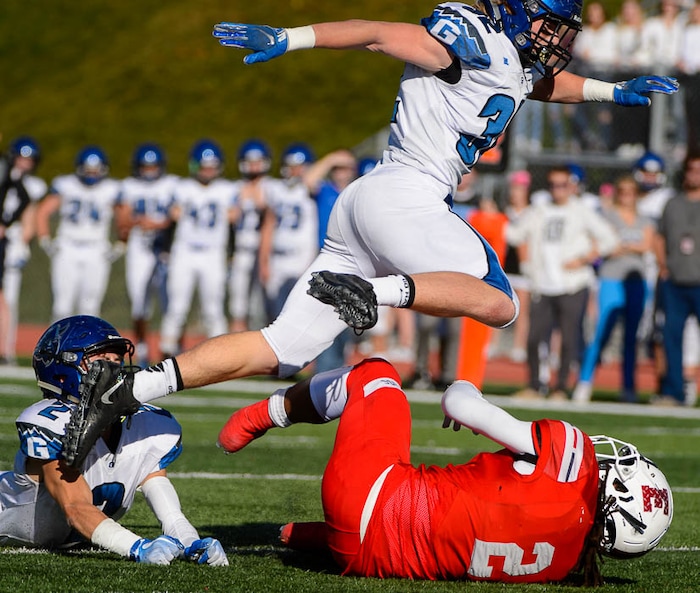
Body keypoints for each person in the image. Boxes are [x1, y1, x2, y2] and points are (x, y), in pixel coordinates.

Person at [71, 1, 679, 453]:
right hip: (407, 197)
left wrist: (615, 91)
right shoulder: (470, 36)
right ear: (517, 13)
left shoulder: (515, 63)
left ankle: (133, 388)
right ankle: (379, 294)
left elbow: (545, 85)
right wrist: (291, 38)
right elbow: (380, 34)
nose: (559, 40)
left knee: (283, 347)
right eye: (552, 25)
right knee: (499, 302)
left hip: (365, 202)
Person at [217, 357, 673, 585]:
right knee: (421, 530)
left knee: (377, 374)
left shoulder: (574, 459)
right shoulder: (566, 566)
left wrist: (466, 388)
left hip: (369, 493)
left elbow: (458, 402)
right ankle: (299, 535)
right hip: (362, 558)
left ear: (621, 491)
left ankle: (266, 413)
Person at [0, 315, 227, 566]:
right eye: (101, 360)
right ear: (63, 372)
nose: (115, 369)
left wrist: (190, 541)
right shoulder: (55, 423)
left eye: (117, 359)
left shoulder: (142, 421)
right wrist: (137, 547)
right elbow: (75, 507)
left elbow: (156, 486)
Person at [506, 165, 619, 400]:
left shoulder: (581, 211)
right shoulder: (539, 210)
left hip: (572, 284)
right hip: (542, 284)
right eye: (552, 185)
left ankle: (561, 387)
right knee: (534, 337)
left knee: (569, 338)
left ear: (571, 186)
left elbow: (609, 239)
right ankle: (535, 385)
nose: (557, 190)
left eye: (562, 185)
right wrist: (497, 216)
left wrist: (586, 258)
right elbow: (514, 234)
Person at [573, 175, 654, 403]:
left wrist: (622, 246)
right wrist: (627, 247)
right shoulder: (606, 215)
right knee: (601, 333)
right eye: (623, 191)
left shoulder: (644, 219)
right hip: (611, 279)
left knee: (631, 337)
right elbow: (603, 247)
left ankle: (628, 387)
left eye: (631, 191)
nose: (627, 196)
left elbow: (647, 246)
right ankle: (585, 382)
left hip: (636, 283)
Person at [159, 139, 236, 358]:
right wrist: (166, 249)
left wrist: (232, 254)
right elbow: (171, 222)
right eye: (204, 166)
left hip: (213, 253)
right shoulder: (183, 188)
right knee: (177, 306)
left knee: (213, 307)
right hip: (185, 251)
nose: (208, 170)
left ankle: (220, 355)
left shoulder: (227, 190)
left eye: (212, 166)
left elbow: (233, 225)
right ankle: (167, 351)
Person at [36, 146, 123, 321]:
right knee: (62, 306)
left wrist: (122, 241)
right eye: (88, 170)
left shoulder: (112, 188)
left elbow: (124, 215)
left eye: (95, 170)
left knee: (91, 306)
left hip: (96, 249)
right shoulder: (66, 184)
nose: (91, 174)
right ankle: (57, 348)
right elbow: (43, 211)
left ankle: (88, 348)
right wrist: (44, 238)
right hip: (68, 246)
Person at [116, 143, 178, 367]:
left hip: (164, 250)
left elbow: (178, 214)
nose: (149, 171)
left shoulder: (172, 185)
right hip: (139, 250)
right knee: (139, 303)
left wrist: (161, 224)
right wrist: (137, 221)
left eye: (153, 166)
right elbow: (121, 221)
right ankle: (141, 348)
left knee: (170, 302)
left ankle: (171, 349)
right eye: (145, 166)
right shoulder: (129, 186)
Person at [653, 151, 700, 405]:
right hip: (675, 282)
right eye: (691, 169)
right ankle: (673, 392)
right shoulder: (672, 203)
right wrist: (663, 266)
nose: (695, 175)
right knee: (671, 337)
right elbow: (659, 236)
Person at [258, 143, 319, 322]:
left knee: (299, 310)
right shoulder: (276, 189)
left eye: (301, 167)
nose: (296, 171)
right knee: (274, 311)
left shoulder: (312, 190)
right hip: (278, 258)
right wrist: (263, 260)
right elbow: (268, 226)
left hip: (301, 257)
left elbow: (313, 179)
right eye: (292, 166)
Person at [0, 137, 47, 364]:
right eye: (22, 157)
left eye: (30, 159)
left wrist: (23, 241)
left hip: (12, 237)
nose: (25, 163)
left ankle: (6, 350)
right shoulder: (5, 173)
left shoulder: (34, 184)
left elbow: (29, 212)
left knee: (8, 297)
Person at [228, 139, 274, 333]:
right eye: (250, 161)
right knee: (238, 304)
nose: (254, 166)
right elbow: (229, 217)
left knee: (267, 303)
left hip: (266, 251)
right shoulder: (235, 187)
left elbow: (271, 215)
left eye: (258, 161)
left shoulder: (272, 186)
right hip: (242, 250)